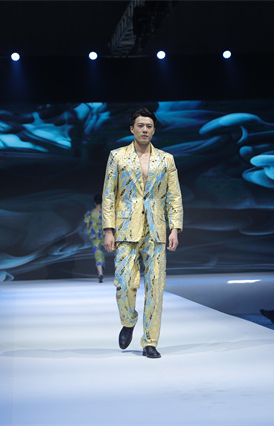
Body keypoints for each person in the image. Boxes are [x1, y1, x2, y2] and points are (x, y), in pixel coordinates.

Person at [102, 108, 183, 359]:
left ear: (154, 130)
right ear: (132, 129)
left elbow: (174, 195)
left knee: (156, 287)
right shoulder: (117, 156)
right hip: (126, 228)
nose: (145, 129)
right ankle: (128, 321)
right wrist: (108, 229)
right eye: (140, 125)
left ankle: (150, 342)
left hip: (156, 229)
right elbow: (108, 194)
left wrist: (175, 228)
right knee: (124, 283)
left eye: (149, 126)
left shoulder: (166, 159)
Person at [83, 194, 106, 283]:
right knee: (102, 253)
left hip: (95, 236)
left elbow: (87, 225)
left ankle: (100, 273)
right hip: (104, 235)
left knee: (97, 254)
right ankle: (101, 271)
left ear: (94, 202)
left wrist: (90, 233)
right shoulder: (105, 213)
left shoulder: (90, 213)